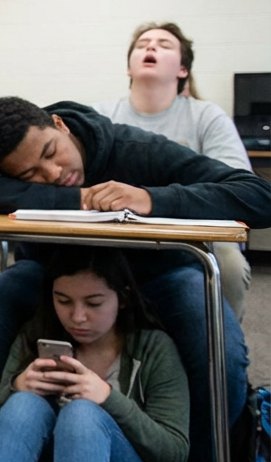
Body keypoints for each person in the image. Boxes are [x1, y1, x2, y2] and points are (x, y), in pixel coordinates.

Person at [0, 96, 271, 462]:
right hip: (56, 277)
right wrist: (77, 198)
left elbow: (257, 195)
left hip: (155, 273)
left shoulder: (134, 149)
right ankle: (6, 461)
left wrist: (152, 199)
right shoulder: (6, 150)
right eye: (31, 175)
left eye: (51, 153)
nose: (54, 172)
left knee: (216, 337)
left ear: (60, 125)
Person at [0, 246, 188, 462]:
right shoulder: (37, 335)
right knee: (24, 403)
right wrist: (18, 387)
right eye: (63, 301)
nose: (78, 317)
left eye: (94, 303)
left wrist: (108, 399)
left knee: (82, 415)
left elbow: (173, 458)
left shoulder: (153, 348)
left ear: (123, 298)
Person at [93, 21, 253, 320]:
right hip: (114, 226)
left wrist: (156, 198)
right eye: (142, 44)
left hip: (191, 229)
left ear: (183, 70)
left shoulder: (206, 115)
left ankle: (222, 342)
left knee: (229, 261)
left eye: (164, 45)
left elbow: (237, 184)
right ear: (128, 68)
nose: (151, 47)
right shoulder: (101, 116)